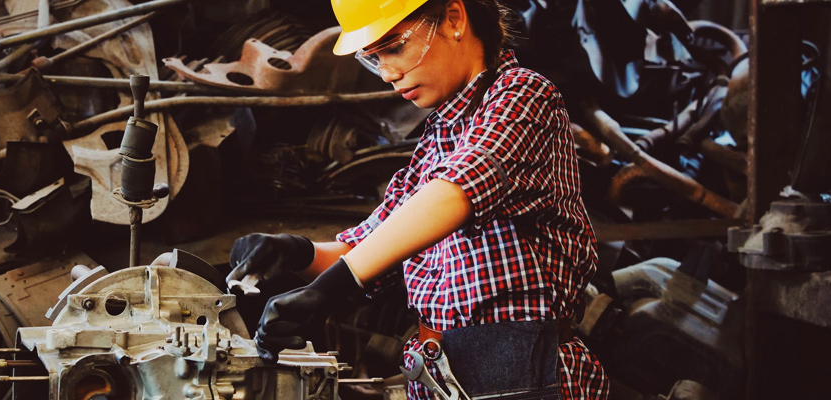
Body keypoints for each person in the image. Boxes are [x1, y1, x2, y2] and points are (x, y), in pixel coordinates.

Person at [215, 0, 609, 398]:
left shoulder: (524, 96)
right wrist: (295, 252)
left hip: (524, 372)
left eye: (395, 47)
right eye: (374, 59)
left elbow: (458, 191)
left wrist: (331, 287)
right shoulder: (436, 139)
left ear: (454, 18)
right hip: (440, 372)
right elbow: (369, 250)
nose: (387, 73)